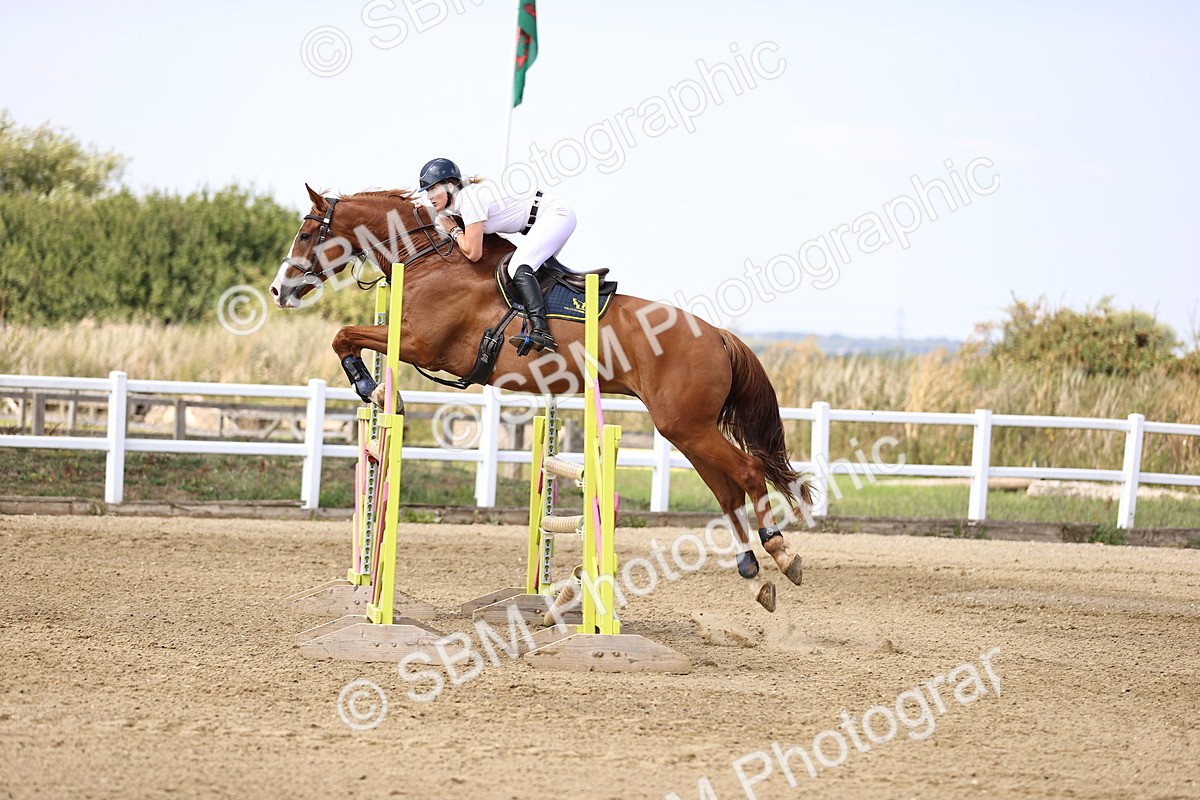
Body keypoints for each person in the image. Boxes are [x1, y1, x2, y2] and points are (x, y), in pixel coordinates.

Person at [418, 157, 577, 354]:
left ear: (450, 186)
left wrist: (454, 231)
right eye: (427, 192)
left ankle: (541, 331)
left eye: (433, 190)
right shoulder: (463, 202)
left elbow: (473, 253)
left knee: (518, 267)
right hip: (546, 219)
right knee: (536, 274)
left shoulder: (469, 200)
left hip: (554, 215)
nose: (430, 197)